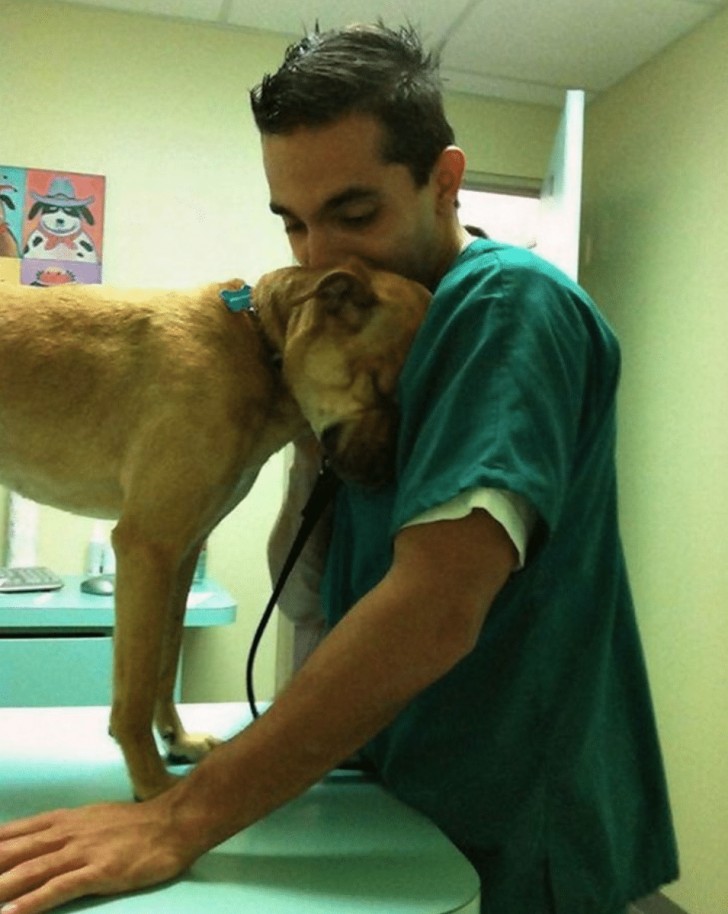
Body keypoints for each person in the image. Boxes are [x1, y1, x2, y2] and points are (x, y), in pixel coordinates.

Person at [0, 23, 677, 914]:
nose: (321, 258)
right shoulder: (339, 335)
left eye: (355, 215)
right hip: (398, 804)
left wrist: (176, 822)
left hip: (509, 826)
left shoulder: (505, 306)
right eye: (294, 223)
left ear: (444, 180)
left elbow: (434, 608)